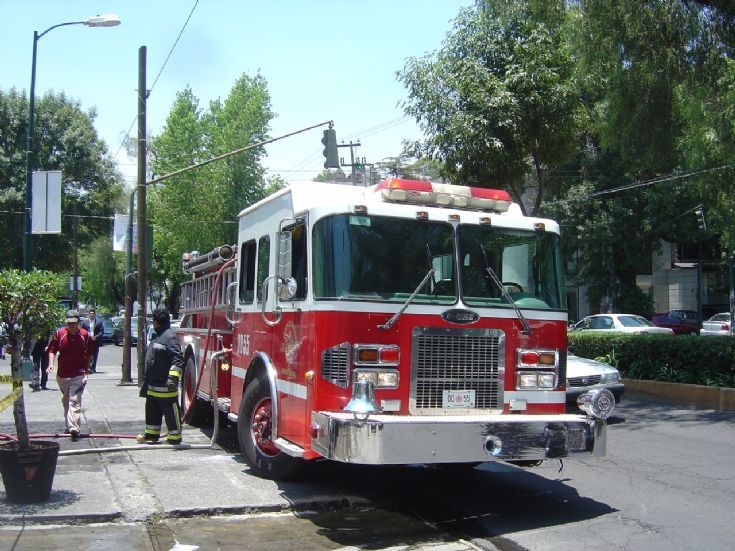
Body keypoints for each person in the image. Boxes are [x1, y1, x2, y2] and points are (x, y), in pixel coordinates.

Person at [137, 307, 184, 444]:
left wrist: (173, 377)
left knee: (170, 409)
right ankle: (151, 434)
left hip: (165, 385)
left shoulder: (169, 336)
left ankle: (175, 436)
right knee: (152, 410)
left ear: (156, 322)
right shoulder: (159, 335)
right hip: (153, 384)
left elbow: (178, 358)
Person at [46, 310, 91, 442]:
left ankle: (74, 428)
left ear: (78, 323)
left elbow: (89, 354)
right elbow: (52, 350)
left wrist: (86, 371)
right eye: (69, 323)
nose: (71, 326)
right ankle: (68, 425)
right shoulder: (58, 334)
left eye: (74, 323)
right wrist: (50, 364)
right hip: (63, 375)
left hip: (78, 374)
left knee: (74, 400)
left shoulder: (85, 335)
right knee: (67, 401)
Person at [82, 308, 104, 373]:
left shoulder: (99, 322)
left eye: (93, 314)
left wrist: (96, 337)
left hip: (95, 341)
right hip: (87, 341)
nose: (92, 315)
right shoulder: (84, 322)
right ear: (88, 314)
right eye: (90, 314)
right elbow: (81, 331)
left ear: (95, 314)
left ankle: (93, 368)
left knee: (95, 354)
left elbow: (101, 332)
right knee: (87, 354)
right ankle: (87, 367)